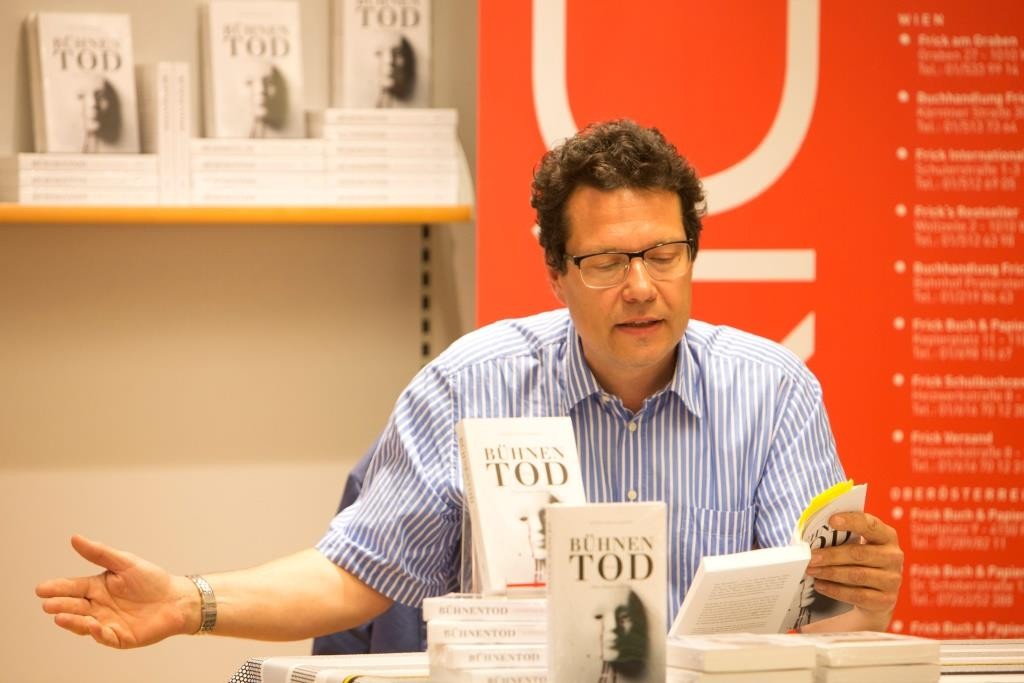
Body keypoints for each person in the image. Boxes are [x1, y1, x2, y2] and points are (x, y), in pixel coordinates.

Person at [36, 119, 903, 650]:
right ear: (557, 274)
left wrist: (864, 595)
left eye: (662, 254)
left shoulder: (775, 391)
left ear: (690, 255)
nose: (641, 285)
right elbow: (355, 576)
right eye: (604, 260)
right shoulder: (469, 386)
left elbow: (827, 616)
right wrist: (193, 601)